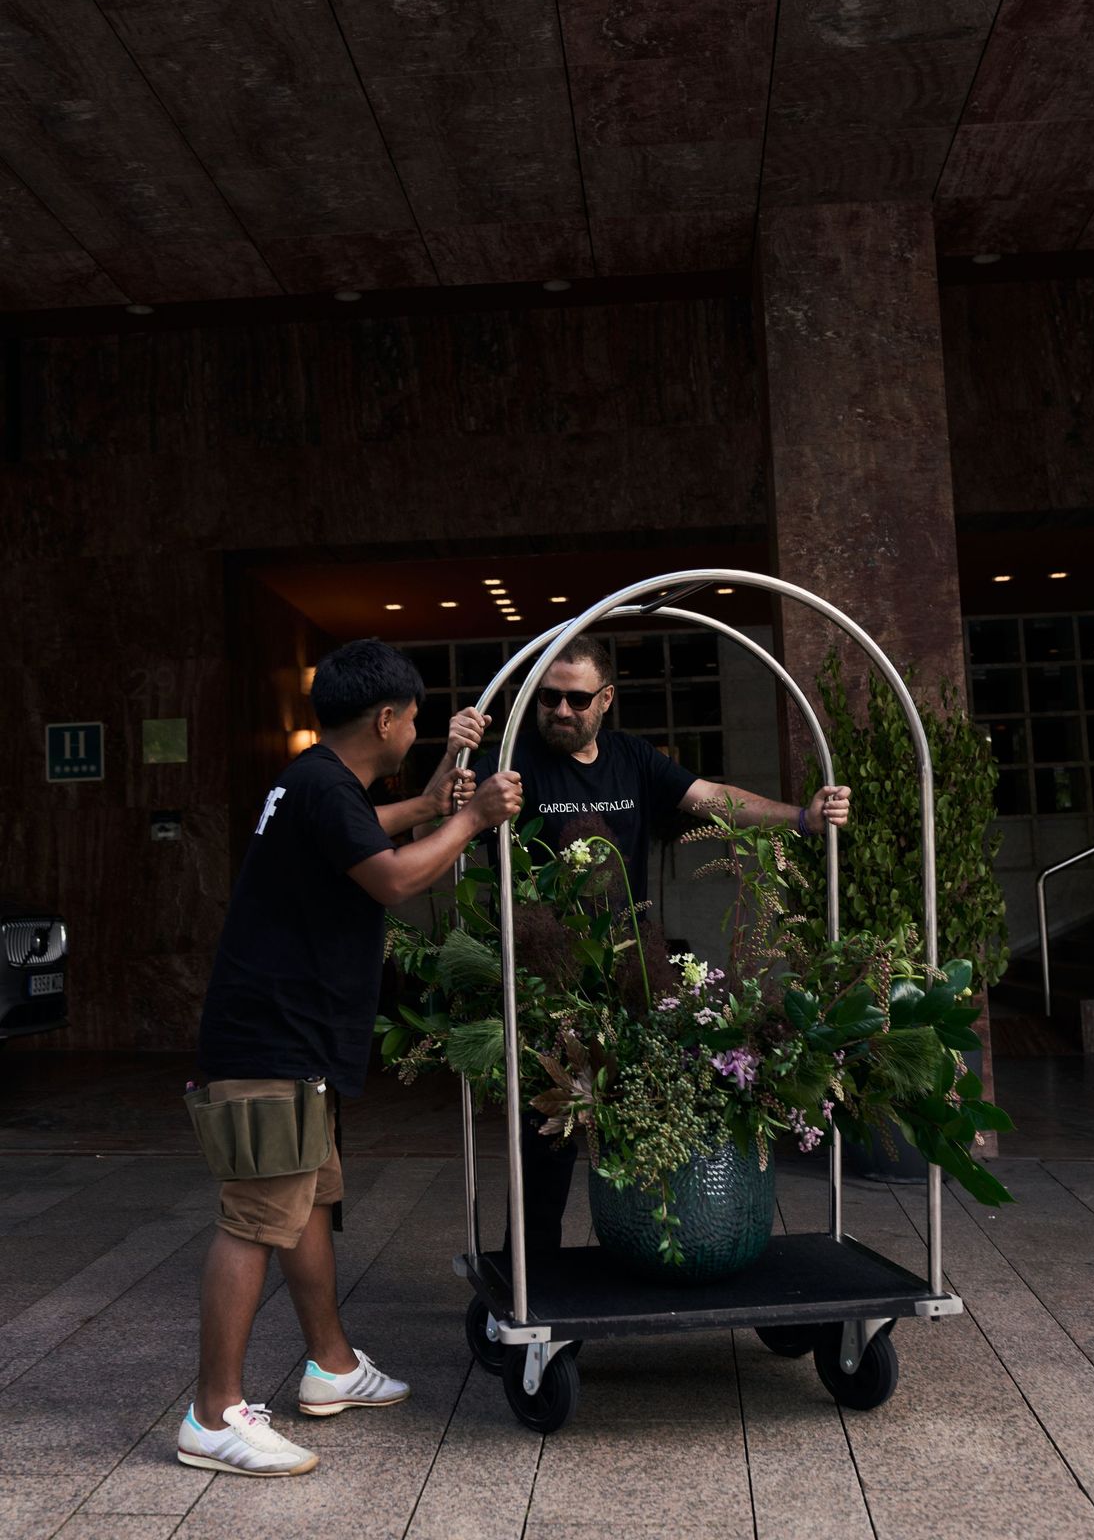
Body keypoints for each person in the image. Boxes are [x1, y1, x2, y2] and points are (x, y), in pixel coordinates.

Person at [178, 638, 521, 1478]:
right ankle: (212, 1415)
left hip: (295, 1038)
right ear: (386, 718)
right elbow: (395, 879)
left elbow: (379, 829)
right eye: (415, 721)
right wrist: (471, 820)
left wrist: (439, 793)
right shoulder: (325, 787)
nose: (416, 731)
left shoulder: (315, 780)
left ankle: (331, 1365)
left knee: (307, 1201)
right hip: (270, 1039)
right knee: (255, 1215)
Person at [453, 632, 851, 1257]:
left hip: (631, 972)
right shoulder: (511, 762)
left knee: (644, 1119)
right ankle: (531, 1279)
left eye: (577, 699)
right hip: (544, 984)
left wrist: (802, 818)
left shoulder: (632, 757)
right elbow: (438, 818)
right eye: (548, 698)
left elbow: (713, 799)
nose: (561, 710)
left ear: (606, 699)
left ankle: (649, 1252)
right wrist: (453, 760)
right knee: (546, 1141)